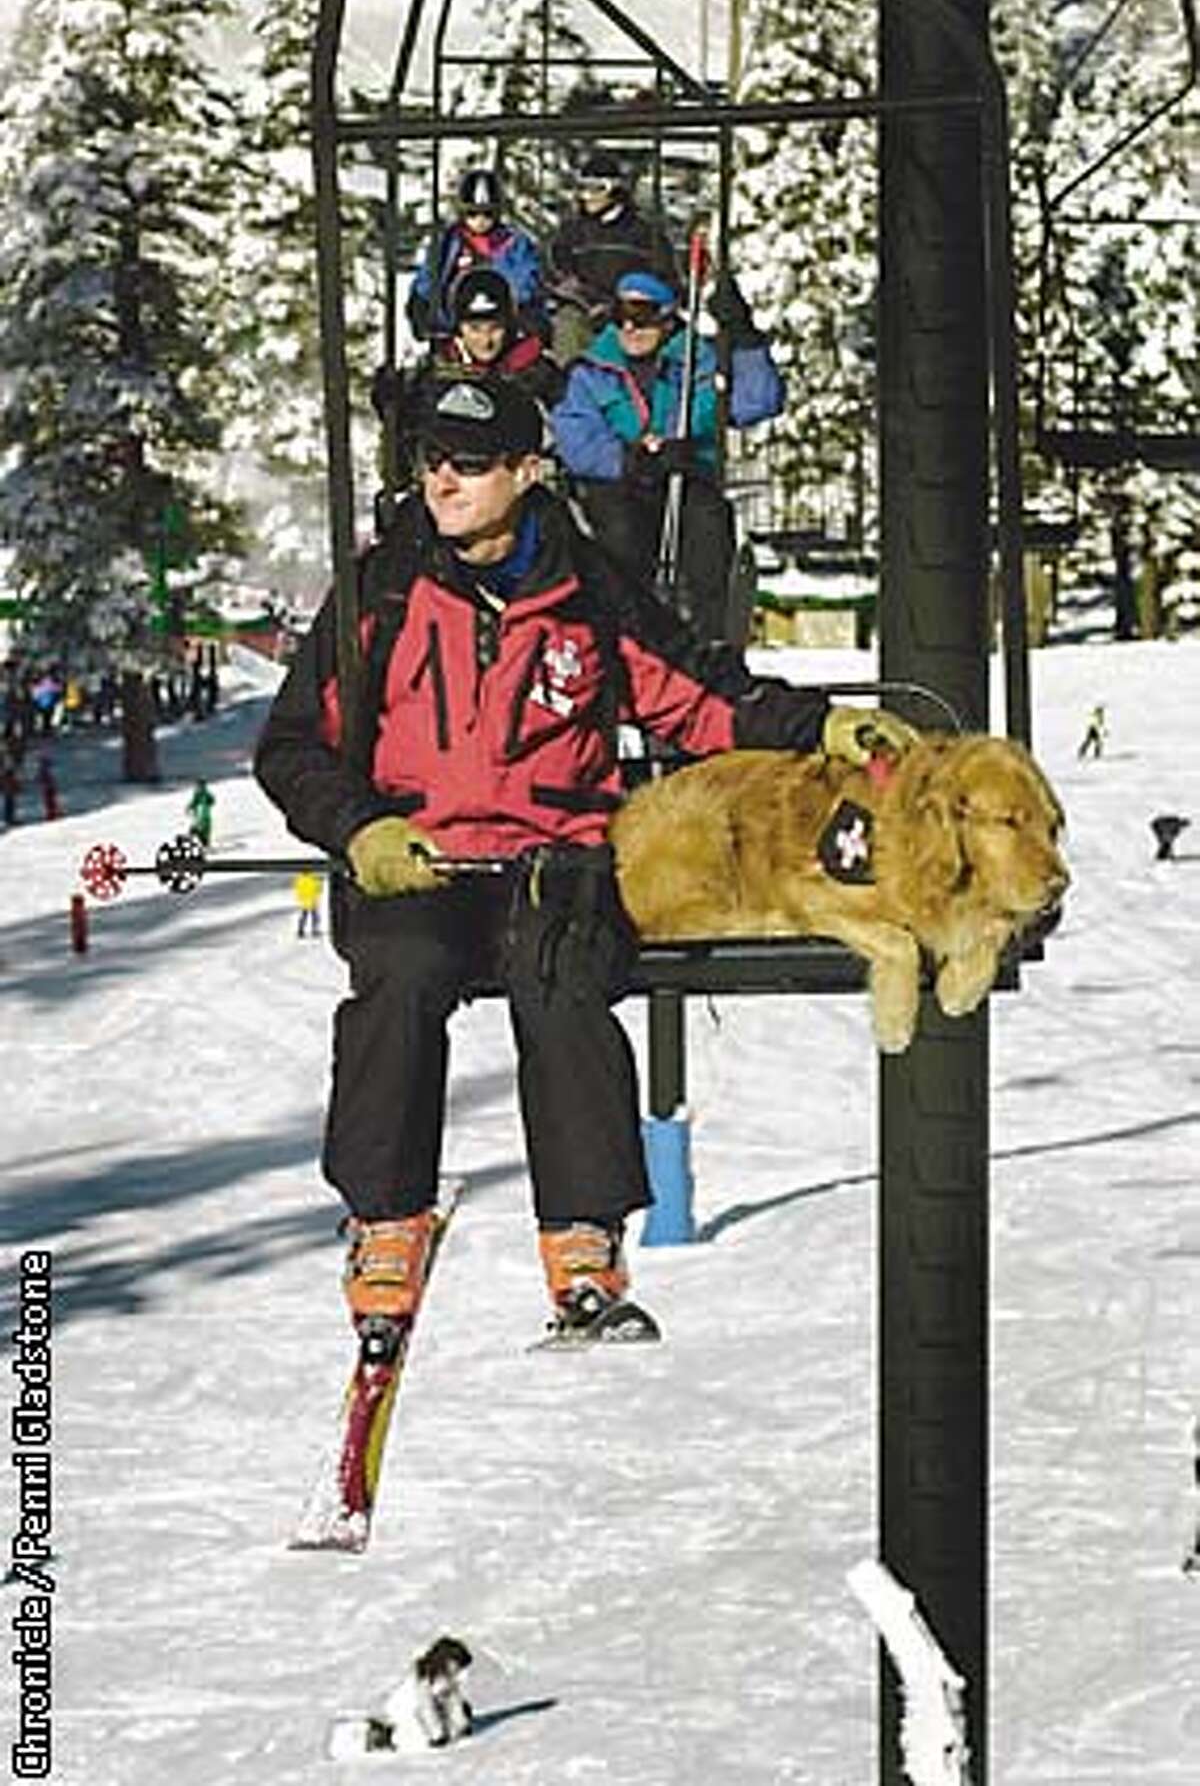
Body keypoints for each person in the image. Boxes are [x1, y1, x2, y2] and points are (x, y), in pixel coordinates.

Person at [253, 371, 916, 1348]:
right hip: (420, 858)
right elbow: (292, 745)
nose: (444, 479)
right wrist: (360, 830)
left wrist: (818, 724)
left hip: (551, 860)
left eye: (471, 463)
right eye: (431, 458)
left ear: (527, 469)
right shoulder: (383, 588)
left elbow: (700, 695)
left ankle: (583, 1237)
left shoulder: (586, 589)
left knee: (561, 980)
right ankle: (385, 1215)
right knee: (399, 976)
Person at [551, 266, 784, 641]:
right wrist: (633, 460)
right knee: (619, 538)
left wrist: (743, 338)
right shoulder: (592, 371)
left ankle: (709, 641)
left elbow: (757, 401)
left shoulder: (699, 364)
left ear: (667, 316)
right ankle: (625, 638)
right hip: (620, 488)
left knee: (708, 529)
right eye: (621, 316)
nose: (629, 328)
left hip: (688, 482)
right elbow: (577, 440)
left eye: (641, 317)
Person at [374, 267, 564, 499]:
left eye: (495, 328)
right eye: (474, 329)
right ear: (459, 329)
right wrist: (394, 411)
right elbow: (398, 468)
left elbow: (565, 439)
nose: (485, 341)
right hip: (448, 493)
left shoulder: (537, 373)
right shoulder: (433, 376)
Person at [545, 152, 680, 361]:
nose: (587, 197)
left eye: (596, 189)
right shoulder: (572, 232)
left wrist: (625, 306)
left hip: (629, 314)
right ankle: (569, 383)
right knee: (568, 323)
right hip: (584, 311)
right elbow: (555, 270)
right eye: (583, 189)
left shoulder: (642, 234)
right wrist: (577, 294)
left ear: (615, 190)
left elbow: (666, 282)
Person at [406, 167, 546, 344]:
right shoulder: (448, 242)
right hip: (454, 327)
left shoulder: (514, 244)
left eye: (488, 214)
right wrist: (421, 305)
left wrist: (521, 309)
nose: (480, 221)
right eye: (472, 213)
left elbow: (528, 280)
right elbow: (429, 276)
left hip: (501, 328)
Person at [294, 868, 325, 938]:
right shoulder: (313, 878)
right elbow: (319, 889)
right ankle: (315, 931)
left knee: (304, 917)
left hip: (305, 902)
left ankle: (300, 931)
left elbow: (298, 890)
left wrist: (299, 899)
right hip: (313, 901)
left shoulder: (299, 879)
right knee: (315, 917)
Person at [186, 778, 214, 847]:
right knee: (194, 829)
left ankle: (205, 842)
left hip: (205, 816)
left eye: (201, 785)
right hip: (198, 816)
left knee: (204, 830)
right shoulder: (197, 794)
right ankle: (195, 842)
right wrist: (189, 807)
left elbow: (212, 801)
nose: (199, 787)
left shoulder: (206, 794)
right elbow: (193, 802)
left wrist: (209, 801)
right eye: (198, 785)